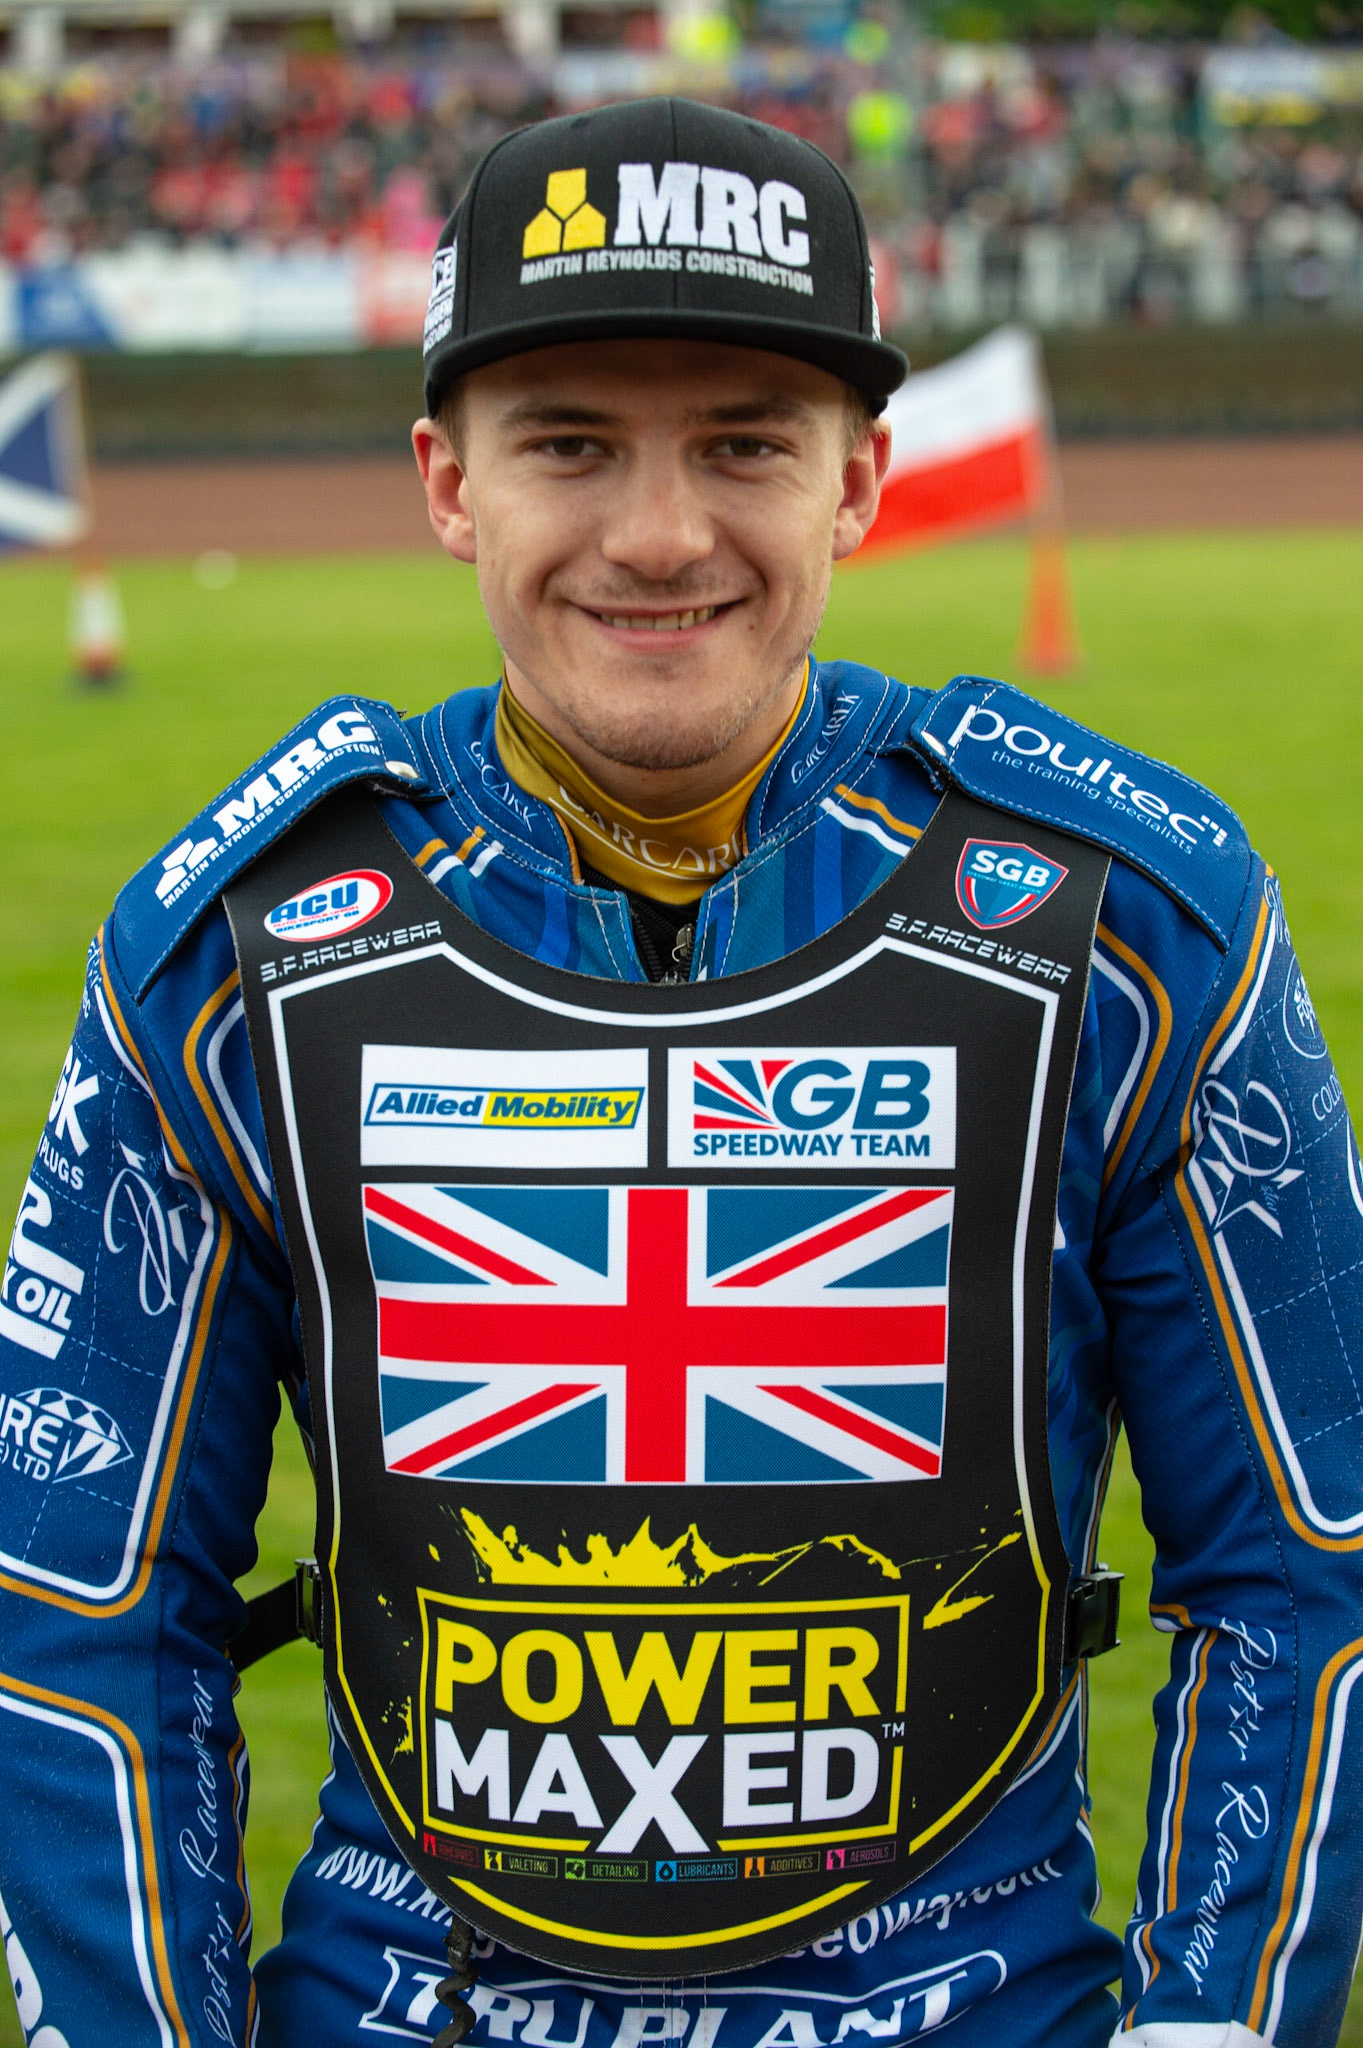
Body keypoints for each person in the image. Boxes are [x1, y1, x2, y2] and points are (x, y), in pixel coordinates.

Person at [2, 96, 1361, 2048]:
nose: (659, 533)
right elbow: (74, 1608)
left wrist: (1213, 2021)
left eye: (743, 442)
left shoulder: (1129, 923)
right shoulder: (232, 947)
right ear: (447, 477)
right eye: (569, 443)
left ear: (858, 480)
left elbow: (1312, 1563)